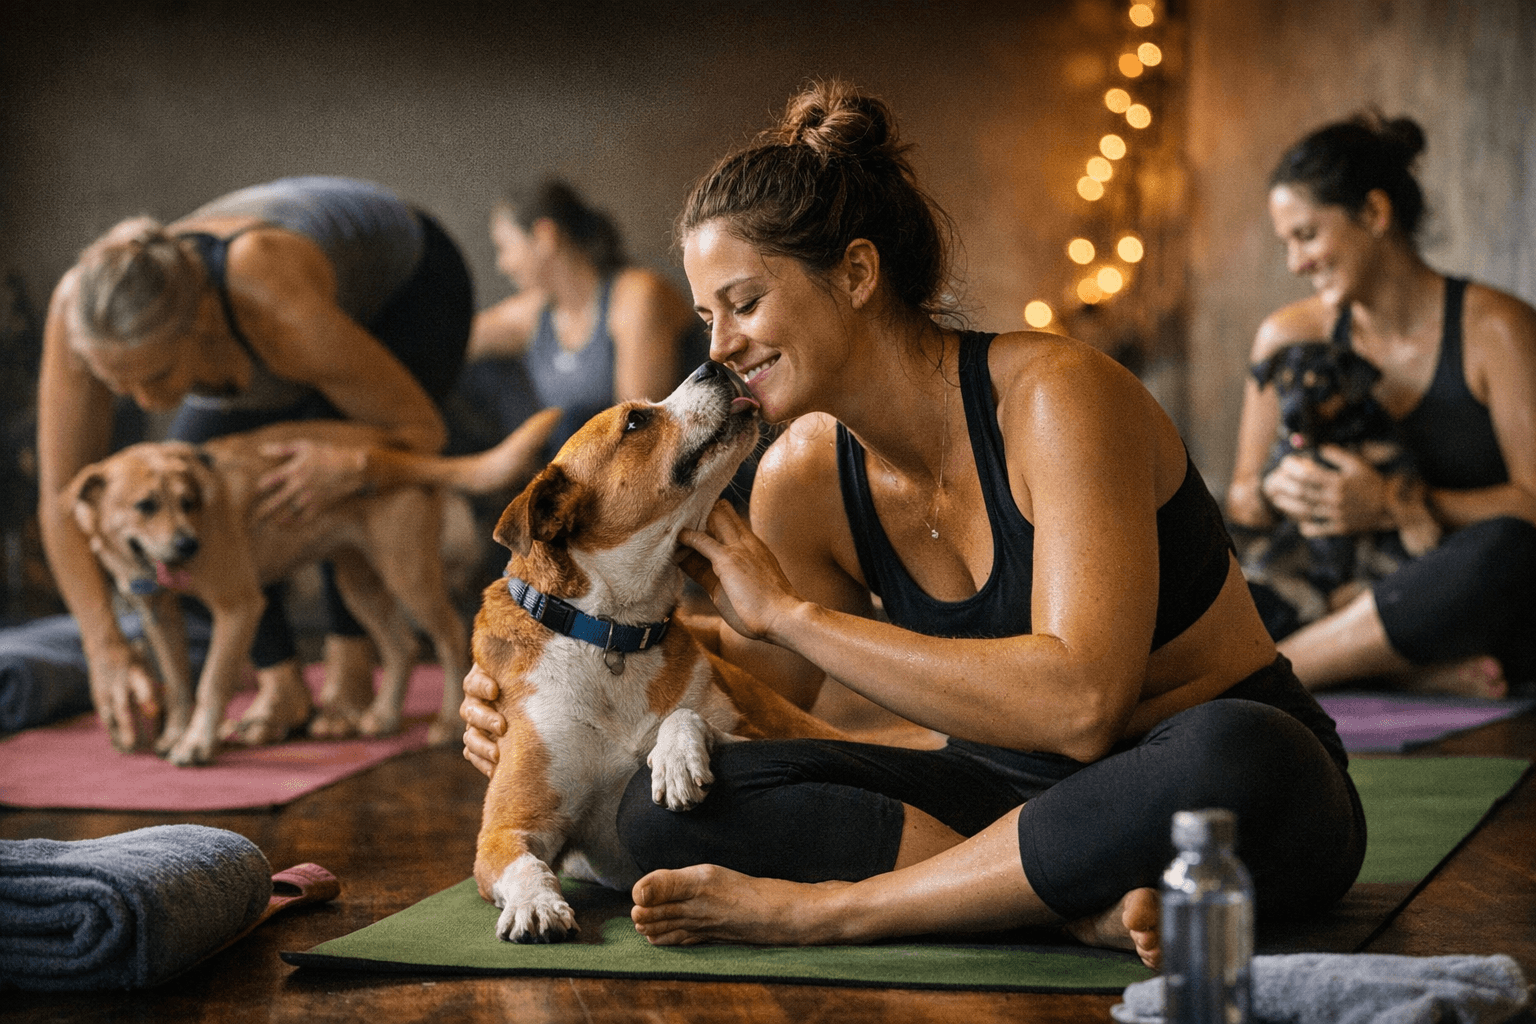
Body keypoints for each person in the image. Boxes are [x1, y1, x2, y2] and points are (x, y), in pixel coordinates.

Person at [458, 82, 1365, 968]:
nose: (720, 349)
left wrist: (793, 614)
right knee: (660, 810)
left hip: (1198, 784)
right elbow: (766, 686)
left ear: (856, 273)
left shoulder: (1056, 398)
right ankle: (1046, 903)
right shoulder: (804, 473)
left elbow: (1084, 709)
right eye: (707, 317)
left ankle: (842, 914)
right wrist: (561, 668)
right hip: (1000, 795)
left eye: (744, 304)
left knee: (1240, 747)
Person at [37, 175, 474, 751]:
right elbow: (61, 496)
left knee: (316, 471)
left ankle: (351, 659)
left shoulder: (274, 306)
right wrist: (105, 645)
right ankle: (282, 682)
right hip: (258, 320)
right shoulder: (81, 314)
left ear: (199, 327)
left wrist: (352, 464)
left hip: (411, 284)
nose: (145, 403)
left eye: (158, 377)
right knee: (207, 489)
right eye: (121, 388)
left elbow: (422, 433)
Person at [1226, 113, 1536, 698]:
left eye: (1307, 235)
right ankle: (1395, 669)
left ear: (1374, 213)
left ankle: (1265, 677)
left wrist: (1394, 504)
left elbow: (1533, 503)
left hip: (1445, 586)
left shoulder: (1498, 329)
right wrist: (1275, 490)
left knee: (1511, 550)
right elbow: (1243, 500)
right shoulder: (1286, 338)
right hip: (1325, 582)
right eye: (1286, 243)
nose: (1295, 263)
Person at [456, 178, 709, 455]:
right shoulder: (534, 313)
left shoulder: (636, 297)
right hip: (590, 464)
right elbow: (448, 342)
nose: (502, 265)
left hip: (667, 460)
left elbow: (639, 437)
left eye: (505, 248)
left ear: (544, 237)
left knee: (573, 422)